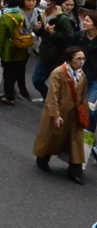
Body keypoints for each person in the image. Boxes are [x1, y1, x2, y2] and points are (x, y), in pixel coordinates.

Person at [32, 46, 89, 184]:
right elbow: (53, 96)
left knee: (76, 142)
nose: (81, 62)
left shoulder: (82, 75)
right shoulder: (58, 73)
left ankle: (75, 170)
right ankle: (43, 158)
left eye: (83, 59)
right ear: (69, 60)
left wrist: (84, 113)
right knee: (52, 138)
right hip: (58, 112)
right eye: (78, 59)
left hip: (74, 115)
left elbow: (83, 96)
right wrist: (56, 115)